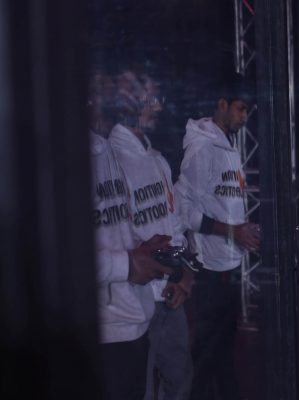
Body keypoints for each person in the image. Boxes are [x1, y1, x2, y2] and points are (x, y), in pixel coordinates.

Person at [108, 67, 194, 400]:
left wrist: (184, 276)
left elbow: (175, 223)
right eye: (150, 99)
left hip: (170, 294)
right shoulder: (112, 159)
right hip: (135, 300)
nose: (157, 107)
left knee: (179, 381)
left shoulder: (157, 159)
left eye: (159, 98)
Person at [175, 74, 259, 400]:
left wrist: (240, 229)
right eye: (240, 109)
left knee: (222, 354)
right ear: (221, 104)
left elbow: (221, 202)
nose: (244, 117)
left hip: (228, 265)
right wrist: (232, 231)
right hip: (208, 270)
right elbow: (183, 210)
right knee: (207, 357)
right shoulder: (202, 148)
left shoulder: (226, 146)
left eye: (247, 111)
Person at [90, 71, 173, 400]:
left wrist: (143, 249)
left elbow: (113, 225)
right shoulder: (66, 153)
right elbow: (57, 255)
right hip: (106, 329)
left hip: (133, 317)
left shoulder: (104, 149)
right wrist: (126, 264)